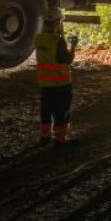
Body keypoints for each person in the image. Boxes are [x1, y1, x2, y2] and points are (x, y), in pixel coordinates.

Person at [35, 8, 77, 145]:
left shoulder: (39, 40)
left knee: (46, 111)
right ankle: (60, 138)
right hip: (61, 84)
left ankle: (45, 136)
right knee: (61, 111)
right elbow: (67, 59)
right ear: (57, 22)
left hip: (45, 84)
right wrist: (73, 46)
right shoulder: (58, 42)